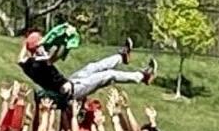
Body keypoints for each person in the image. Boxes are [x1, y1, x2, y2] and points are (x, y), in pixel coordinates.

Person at [18, 33, 157, 102]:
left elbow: (20, 59)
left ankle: (122, 57)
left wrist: (27, 44)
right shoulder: (39, 63)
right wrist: (64, 41)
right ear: (37, 47)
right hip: (73, 92)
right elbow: (56, 55)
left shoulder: (27, 64)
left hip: (71, 82)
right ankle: (143, 77)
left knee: (92, 67)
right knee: (108, 75)